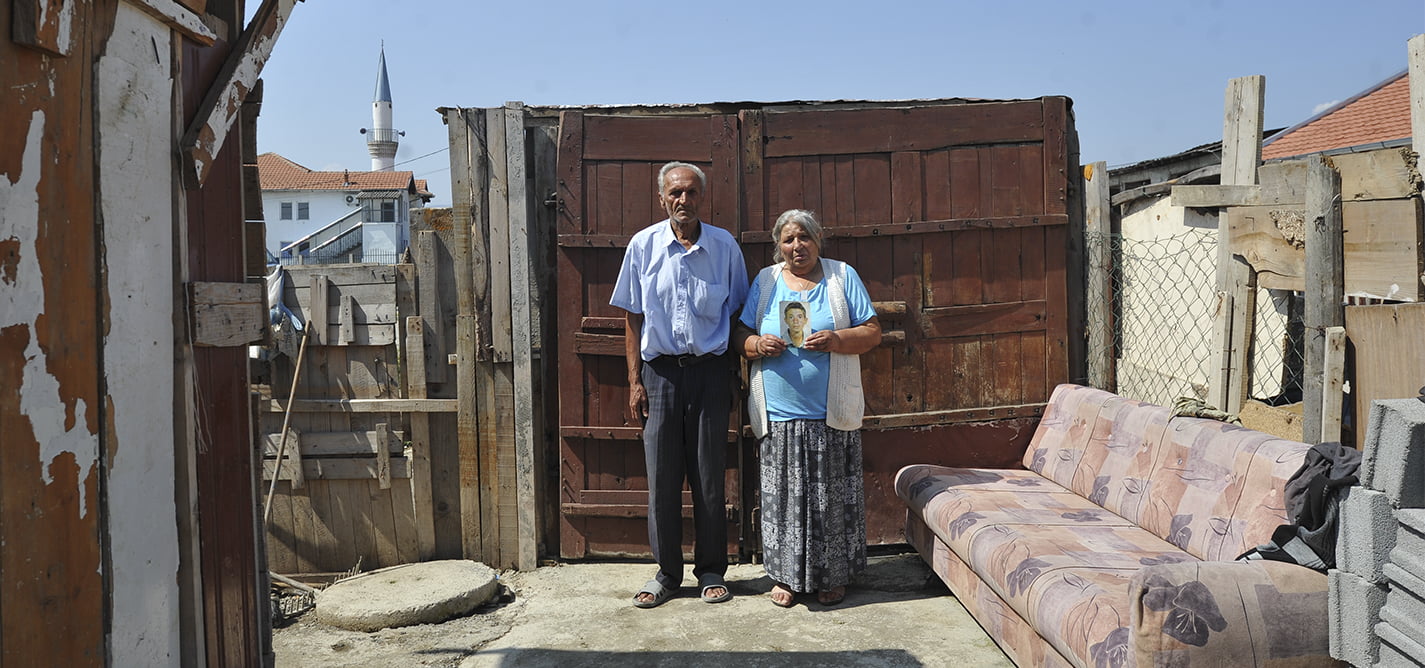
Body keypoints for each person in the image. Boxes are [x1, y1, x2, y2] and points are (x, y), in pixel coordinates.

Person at [610, 161, 749, 608]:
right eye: (675, 193)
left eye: (690, 192)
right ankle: (667, 574)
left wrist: (735, 375)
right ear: (662, 198)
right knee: (663, 480)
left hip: (710, 373)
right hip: (661, 376)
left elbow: (739, 315)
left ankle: (711, 570)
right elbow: (632, 317)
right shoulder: (643, 245)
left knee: (709, 479)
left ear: (702, 197)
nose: (683, 200)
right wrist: (634, 381)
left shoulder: (724, 247)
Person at [735, 209, 881, 608]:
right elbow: (740, 333)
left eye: (804, 237)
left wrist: (836, 339)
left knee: (830, 501)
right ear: (778, 246)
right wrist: (756, 345)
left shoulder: (841, 276)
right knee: (783, 501)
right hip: (779, 415)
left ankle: (832, 577)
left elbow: (872, 331)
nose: (797, 246)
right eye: (788, 239)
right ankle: (786, 576)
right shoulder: (766, 281)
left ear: (818, 240)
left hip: (830, 413)